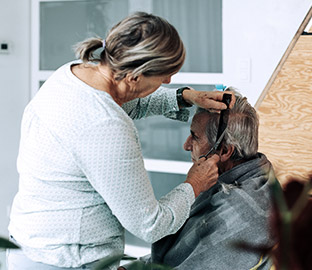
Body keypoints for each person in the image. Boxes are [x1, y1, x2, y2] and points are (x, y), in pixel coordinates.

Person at [8, 12, 233, 270]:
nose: (169, 81)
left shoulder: (73, 74)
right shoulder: (105, 126)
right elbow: (150, 224)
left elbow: (124, 100)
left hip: (30, 249)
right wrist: (194, 183)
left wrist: (185, 97)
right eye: (164, 76)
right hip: (67, 261)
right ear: (134, 77)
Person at [120, 89, 275, 270]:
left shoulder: (243, 213)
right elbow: (179, 255)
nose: (186, 145)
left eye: (194, 137)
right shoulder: (231, 179)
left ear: (224, 151)